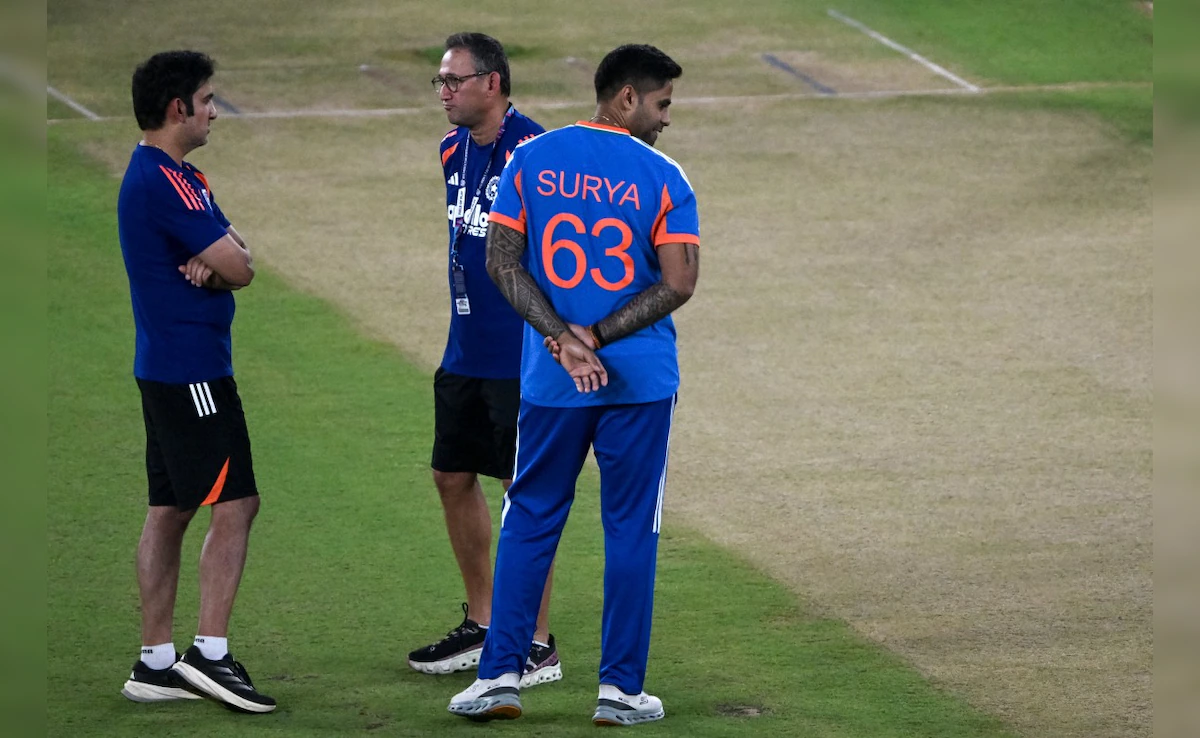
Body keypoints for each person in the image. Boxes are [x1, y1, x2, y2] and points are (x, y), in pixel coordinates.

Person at [447, 44, 699, 725]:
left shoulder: (530, 158)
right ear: (625, 98)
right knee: (630, 531)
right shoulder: (664, 175)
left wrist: (563, 339)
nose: (666, 119)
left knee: (529, 519)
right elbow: (678, 283)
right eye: (662, 103)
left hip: (554, 382)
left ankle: (499, 676)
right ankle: (620, 691)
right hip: (640, 382)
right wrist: (599, 337)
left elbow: (503, 264)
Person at [116, 50, 275, 714]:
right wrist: (223, 261)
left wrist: (220, 258)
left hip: (164, 367)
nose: (215, 110)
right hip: (194, 374)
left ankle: (154, 663)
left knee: (171, 508)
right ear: (178, 108)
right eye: (208, 99)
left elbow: (235, 252)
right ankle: (209, 655)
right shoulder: (167, 183)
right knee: (234, 503)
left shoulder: (169, 175)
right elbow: (241, 267)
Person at [406, 31, 561, 689]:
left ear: (492, 83)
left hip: (520, 353)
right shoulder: (451, 150)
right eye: (440, 82)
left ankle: (536, 642)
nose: (443, 92)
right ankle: (484, 622)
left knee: (523, 492)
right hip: (463, 348)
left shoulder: (537, 154)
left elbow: (560, 249)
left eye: (454, 81)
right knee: (451, 475)